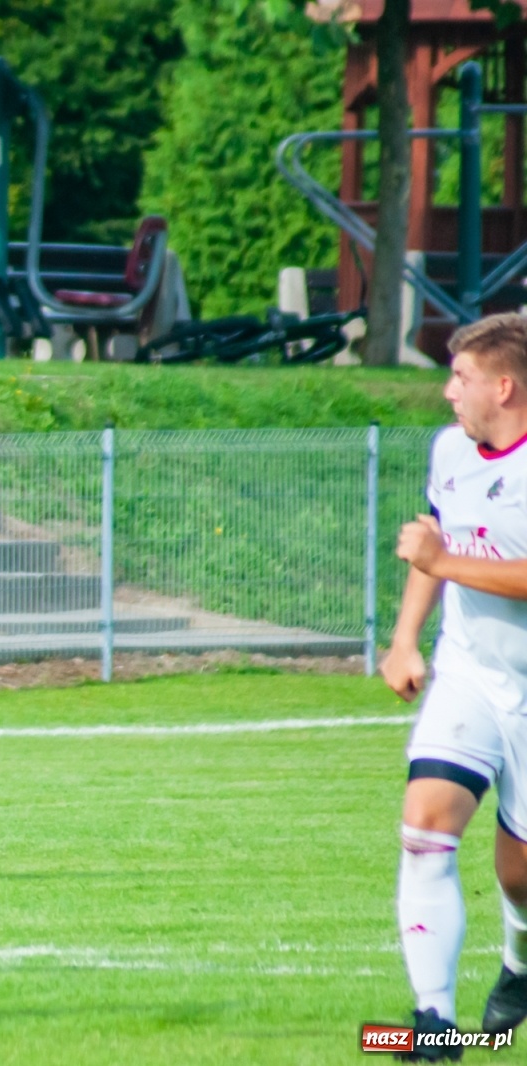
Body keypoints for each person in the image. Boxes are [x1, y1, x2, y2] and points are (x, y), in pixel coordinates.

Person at [381, 312, 527, 1056]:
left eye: (460, 378)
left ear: (503, 386)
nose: (447, 393)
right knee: (425, 829)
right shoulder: (451, 451)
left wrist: (442, 563)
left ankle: (521, 961)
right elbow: (434, 543)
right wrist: (406, 638)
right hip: (469, 675)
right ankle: (433, 1022)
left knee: (520, 875)